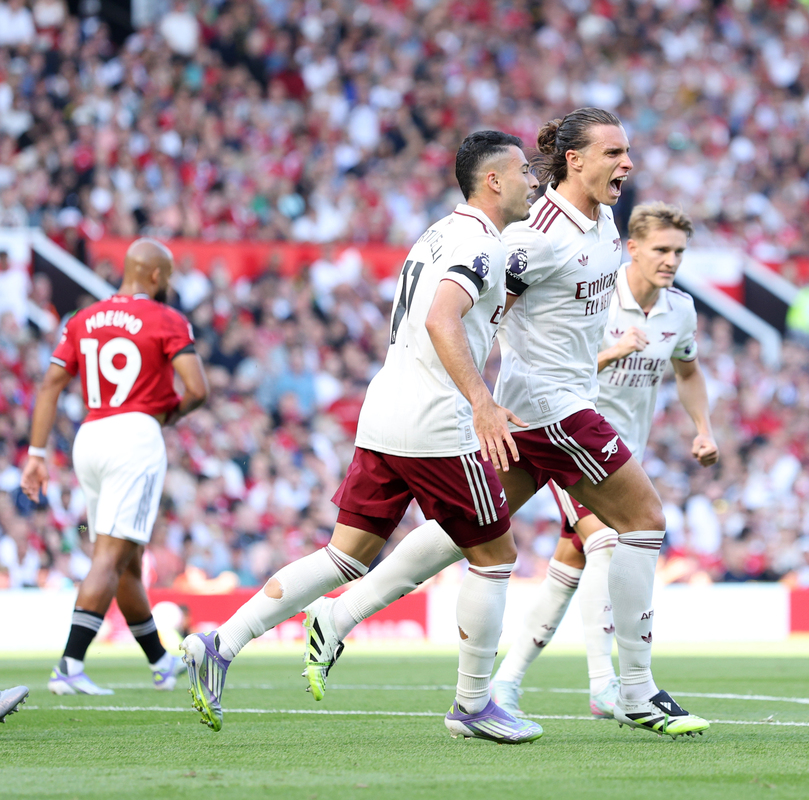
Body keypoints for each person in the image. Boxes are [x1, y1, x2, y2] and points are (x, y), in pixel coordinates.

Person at [307, 108, 710, 738]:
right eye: (612, 153)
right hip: (552, 408)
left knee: (464, 531)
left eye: (627, 152)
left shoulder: (602, 220)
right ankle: (634, 690)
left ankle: (339, 616)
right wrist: (476, 397)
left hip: (542, 406)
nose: (626, 163)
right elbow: (481, 311)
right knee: (643, 520)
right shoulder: (536, 236)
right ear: (574, 160)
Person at [180, 131, 544, 743]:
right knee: (495, 555)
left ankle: (220, 644)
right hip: (436, 422)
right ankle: (474, 705)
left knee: (345, 555)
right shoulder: (479, 244)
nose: (534, 181)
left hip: (385, 411)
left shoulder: (436, 232)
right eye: (525, 173)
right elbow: (439, 316)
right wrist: (482, 401)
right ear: (494, 182)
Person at [490, 202, 718, 719]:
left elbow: (688, 372)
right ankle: (606, 685)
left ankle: (506, 681)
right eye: (661, 249)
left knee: (569, 567)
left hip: (620, 456)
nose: (671, 260)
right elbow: (549, 361)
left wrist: (703, 429)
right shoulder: (591, 292)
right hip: (562, 439)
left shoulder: (679, 309)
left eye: (679, 251)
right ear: (632, 247)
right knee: (609, 540)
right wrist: (610, 353)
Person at [20, 239, 209, 695]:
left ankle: (160, 662)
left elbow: (50, 385)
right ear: (158, 276)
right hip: (134, 438)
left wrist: (37, 454)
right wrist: (167, 415)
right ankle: (68, 666)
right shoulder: (166, 318)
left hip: (91, 434)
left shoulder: (82, 318)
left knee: (126, 559)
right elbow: (197, 389)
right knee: (109, 556)